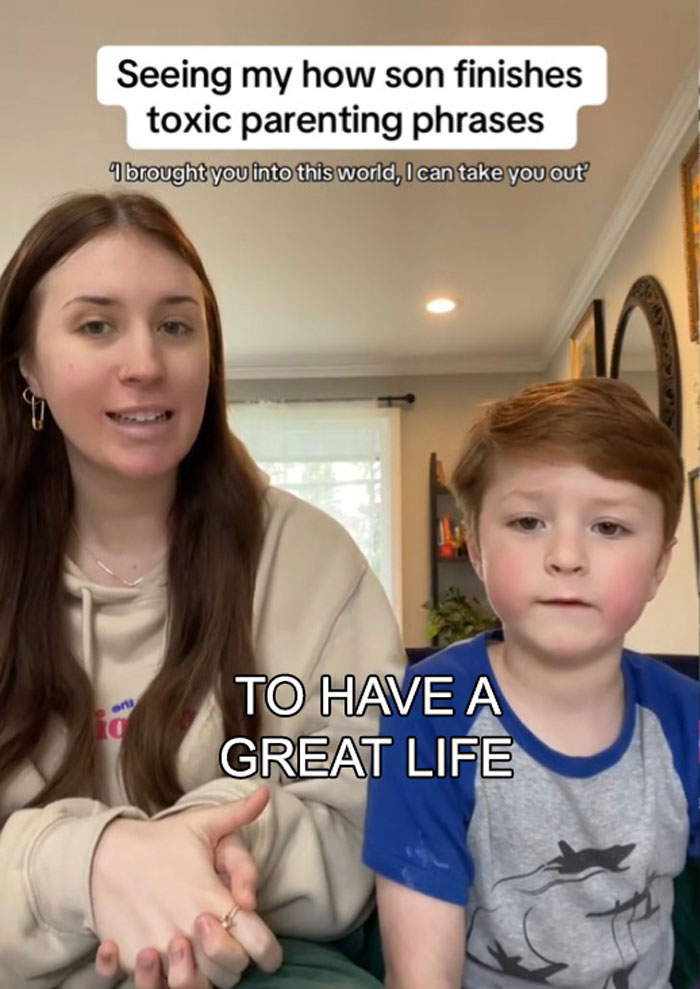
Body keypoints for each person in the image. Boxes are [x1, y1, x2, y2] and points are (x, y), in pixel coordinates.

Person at [0, 191, 404, 989]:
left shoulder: (311, 558)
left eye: (177, 325)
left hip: (253, 964)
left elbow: (363, 822)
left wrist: (211, 843)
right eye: (96, 325)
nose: (146, 362)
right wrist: (88, 863)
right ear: (27, 365)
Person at [363, 378, 698, 989]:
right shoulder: (430, 709)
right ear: (478, 551)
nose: (566, 555)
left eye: (610, 527)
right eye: (527, 521)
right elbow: (420, 974)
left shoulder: (686, 719)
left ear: (658, 567)